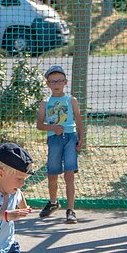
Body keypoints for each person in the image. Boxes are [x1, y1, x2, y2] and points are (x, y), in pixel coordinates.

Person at [35, 65, 85, 224]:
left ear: (65, 82)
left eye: (59, 81)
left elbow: (78, 119)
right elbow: (39, 125)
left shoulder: (72, 100)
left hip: (70, 138)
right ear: (47, 84)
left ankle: (70, 210)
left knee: (69, 175)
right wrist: (52, 128)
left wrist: (81, 138)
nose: (56, 84)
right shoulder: (45, 102)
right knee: (52, 176)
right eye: (52, 81)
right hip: (54, 139)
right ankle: (53, 202)